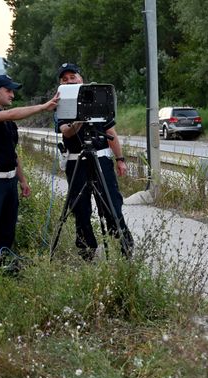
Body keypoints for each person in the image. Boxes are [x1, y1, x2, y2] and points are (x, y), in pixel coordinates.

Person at [55, 63, 133, 260]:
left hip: (101, 159)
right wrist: (79, 118)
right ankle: (86, 249)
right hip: (76, 160)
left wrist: (120, 159)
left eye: (73, 77)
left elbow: (110, 132)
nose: (69, 81)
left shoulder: (97, 96)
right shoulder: (61, 102)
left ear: (81, 78)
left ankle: (124, 245)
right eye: (65, 79)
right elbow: (66, 131)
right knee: (80, 207)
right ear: (60, 83)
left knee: (111, 204)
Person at [0, 74, 59, 256]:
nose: (12, 95)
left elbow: (13, 153)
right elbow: (11, 113)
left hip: (10, 182)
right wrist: (43, 107)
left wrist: (23, 180)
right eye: (8, 90)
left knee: (7, 229)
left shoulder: (7, 122)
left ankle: (5, 264)